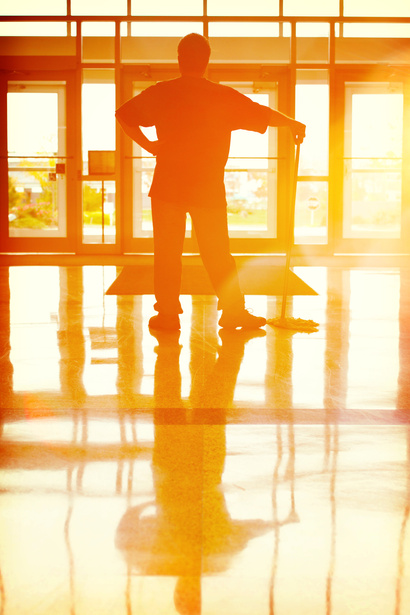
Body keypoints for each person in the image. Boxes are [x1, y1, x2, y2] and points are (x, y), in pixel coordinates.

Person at [116, 33, 306, 331]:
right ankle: (232, 311)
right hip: (206, 187)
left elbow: (124, 115)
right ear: (206, 61)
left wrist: (150, 145)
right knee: (218, 253)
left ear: (179, 59)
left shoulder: (162, 92)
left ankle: (167, 315)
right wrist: (293, 123)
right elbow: (263, 114)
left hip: (168, 185)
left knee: (167, 253)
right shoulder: (222, 96)